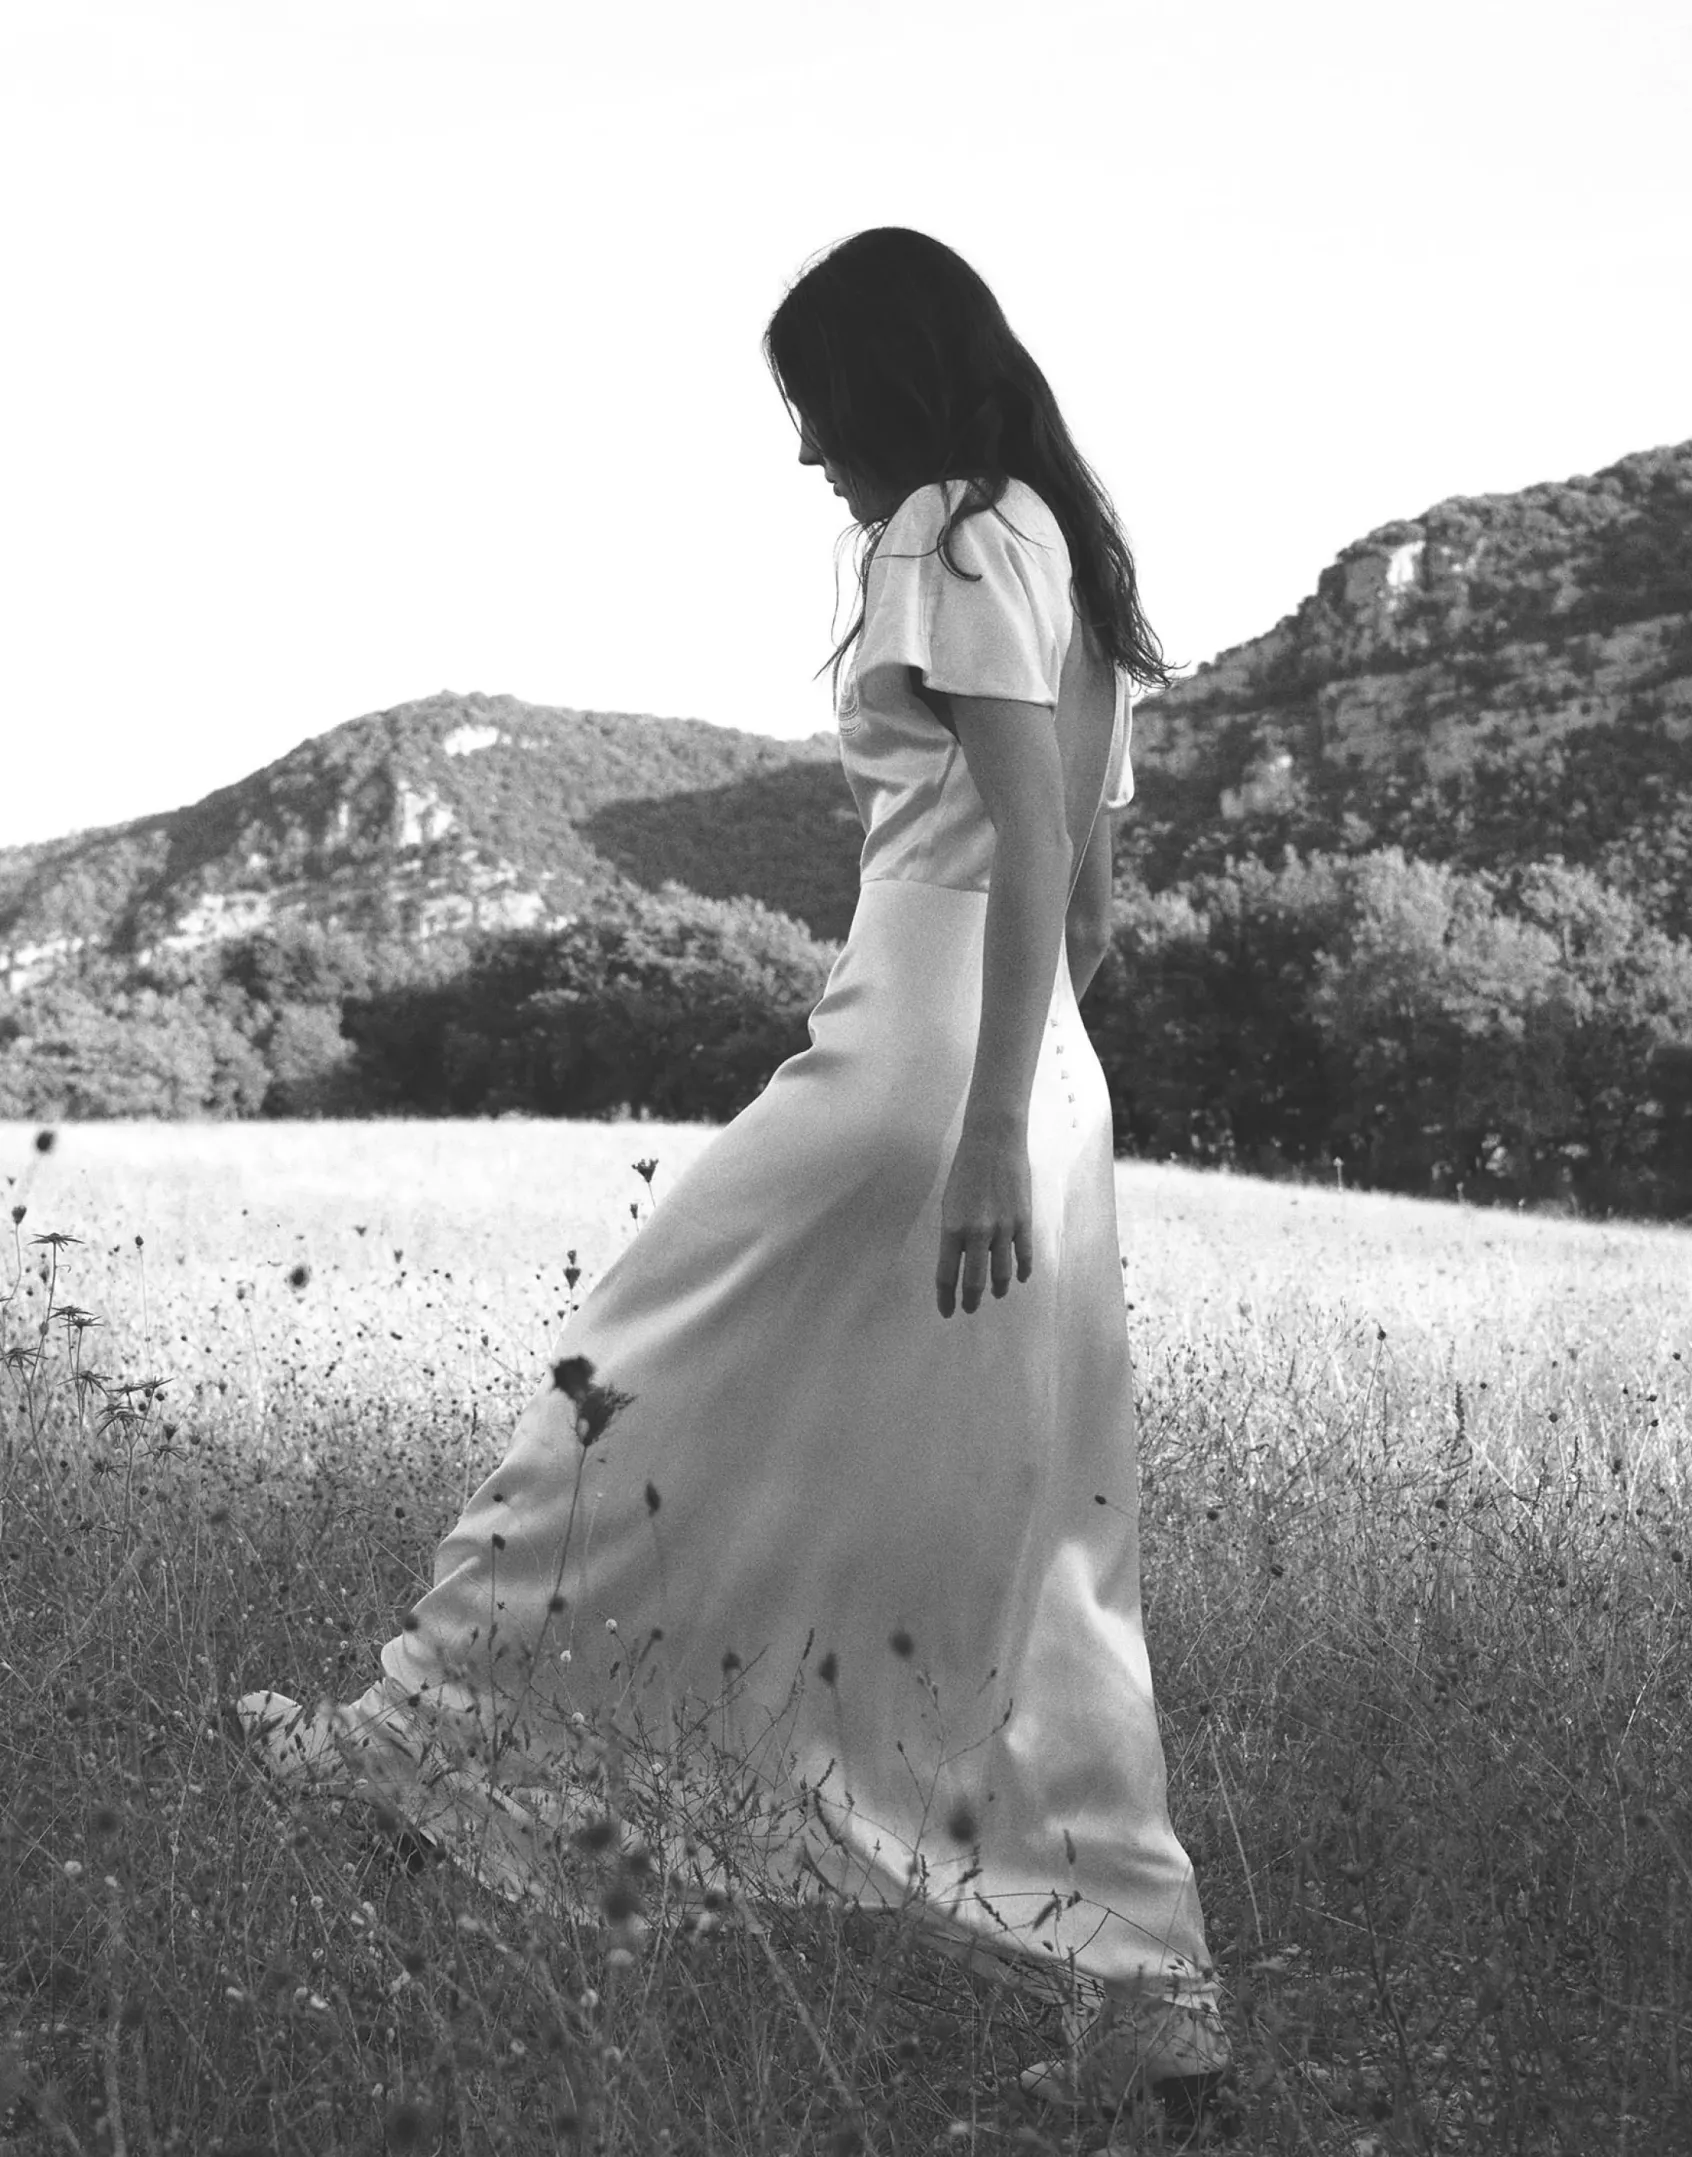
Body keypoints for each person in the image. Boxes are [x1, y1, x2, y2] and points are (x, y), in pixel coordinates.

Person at [237, 225, 1229, 2124]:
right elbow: (1095, 902)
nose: (806, 451)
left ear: (887, 385)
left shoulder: (944, 531)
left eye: (813, 404)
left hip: (928, 1073)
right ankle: (1150, 1989)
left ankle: (417, 1748)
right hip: (1041, 1082)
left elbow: (1031, 853)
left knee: (618, 1391)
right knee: (1034, 1539)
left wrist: (970, 1123)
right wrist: (1029, 1102)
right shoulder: (1070, 562)